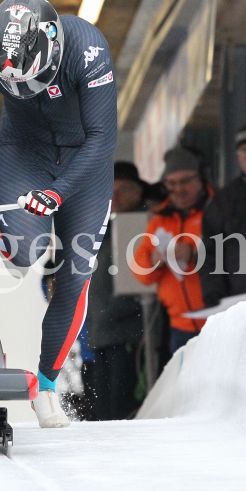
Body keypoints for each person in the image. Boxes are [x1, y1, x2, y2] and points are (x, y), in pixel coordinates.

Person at [0, 0, 116, 427]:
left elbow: (101, 138)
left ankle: (47, 385)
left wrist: (58, 192)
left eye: (30, 81)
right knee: (23, 253)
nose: (20, 90)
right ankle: (12, 242)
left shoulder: (88, 49)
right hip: (26, 151)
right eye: (10, 83)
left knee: (74, 274)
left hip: (84, 160)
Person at [79, 162, 146, 420]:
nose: (115, 197)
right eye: (110, 190)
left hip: (129, 338)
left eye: (123, 190)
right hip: (99, 337)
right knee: (103, 414)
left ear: (138, 192)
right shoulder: (101, 229)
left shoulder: (142, 226)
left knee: (122, 411)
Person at [132, 148, 211, 354]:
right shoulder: (160, 220)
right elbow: (140, 272)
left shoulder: (217, 209)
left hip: (218, 321)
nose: (179, 189)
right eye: (172, 183)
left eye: (185, 181)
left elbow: (236, 255)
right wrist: (154, 260)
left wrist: (194, 254)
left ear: (200, 179)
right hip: (179, 325)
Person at [201, 123, 246, 307]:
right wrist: (213, 293)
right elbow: (209, 253)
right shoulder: (223, 200)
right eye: (244, 151)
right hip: (239, 305)